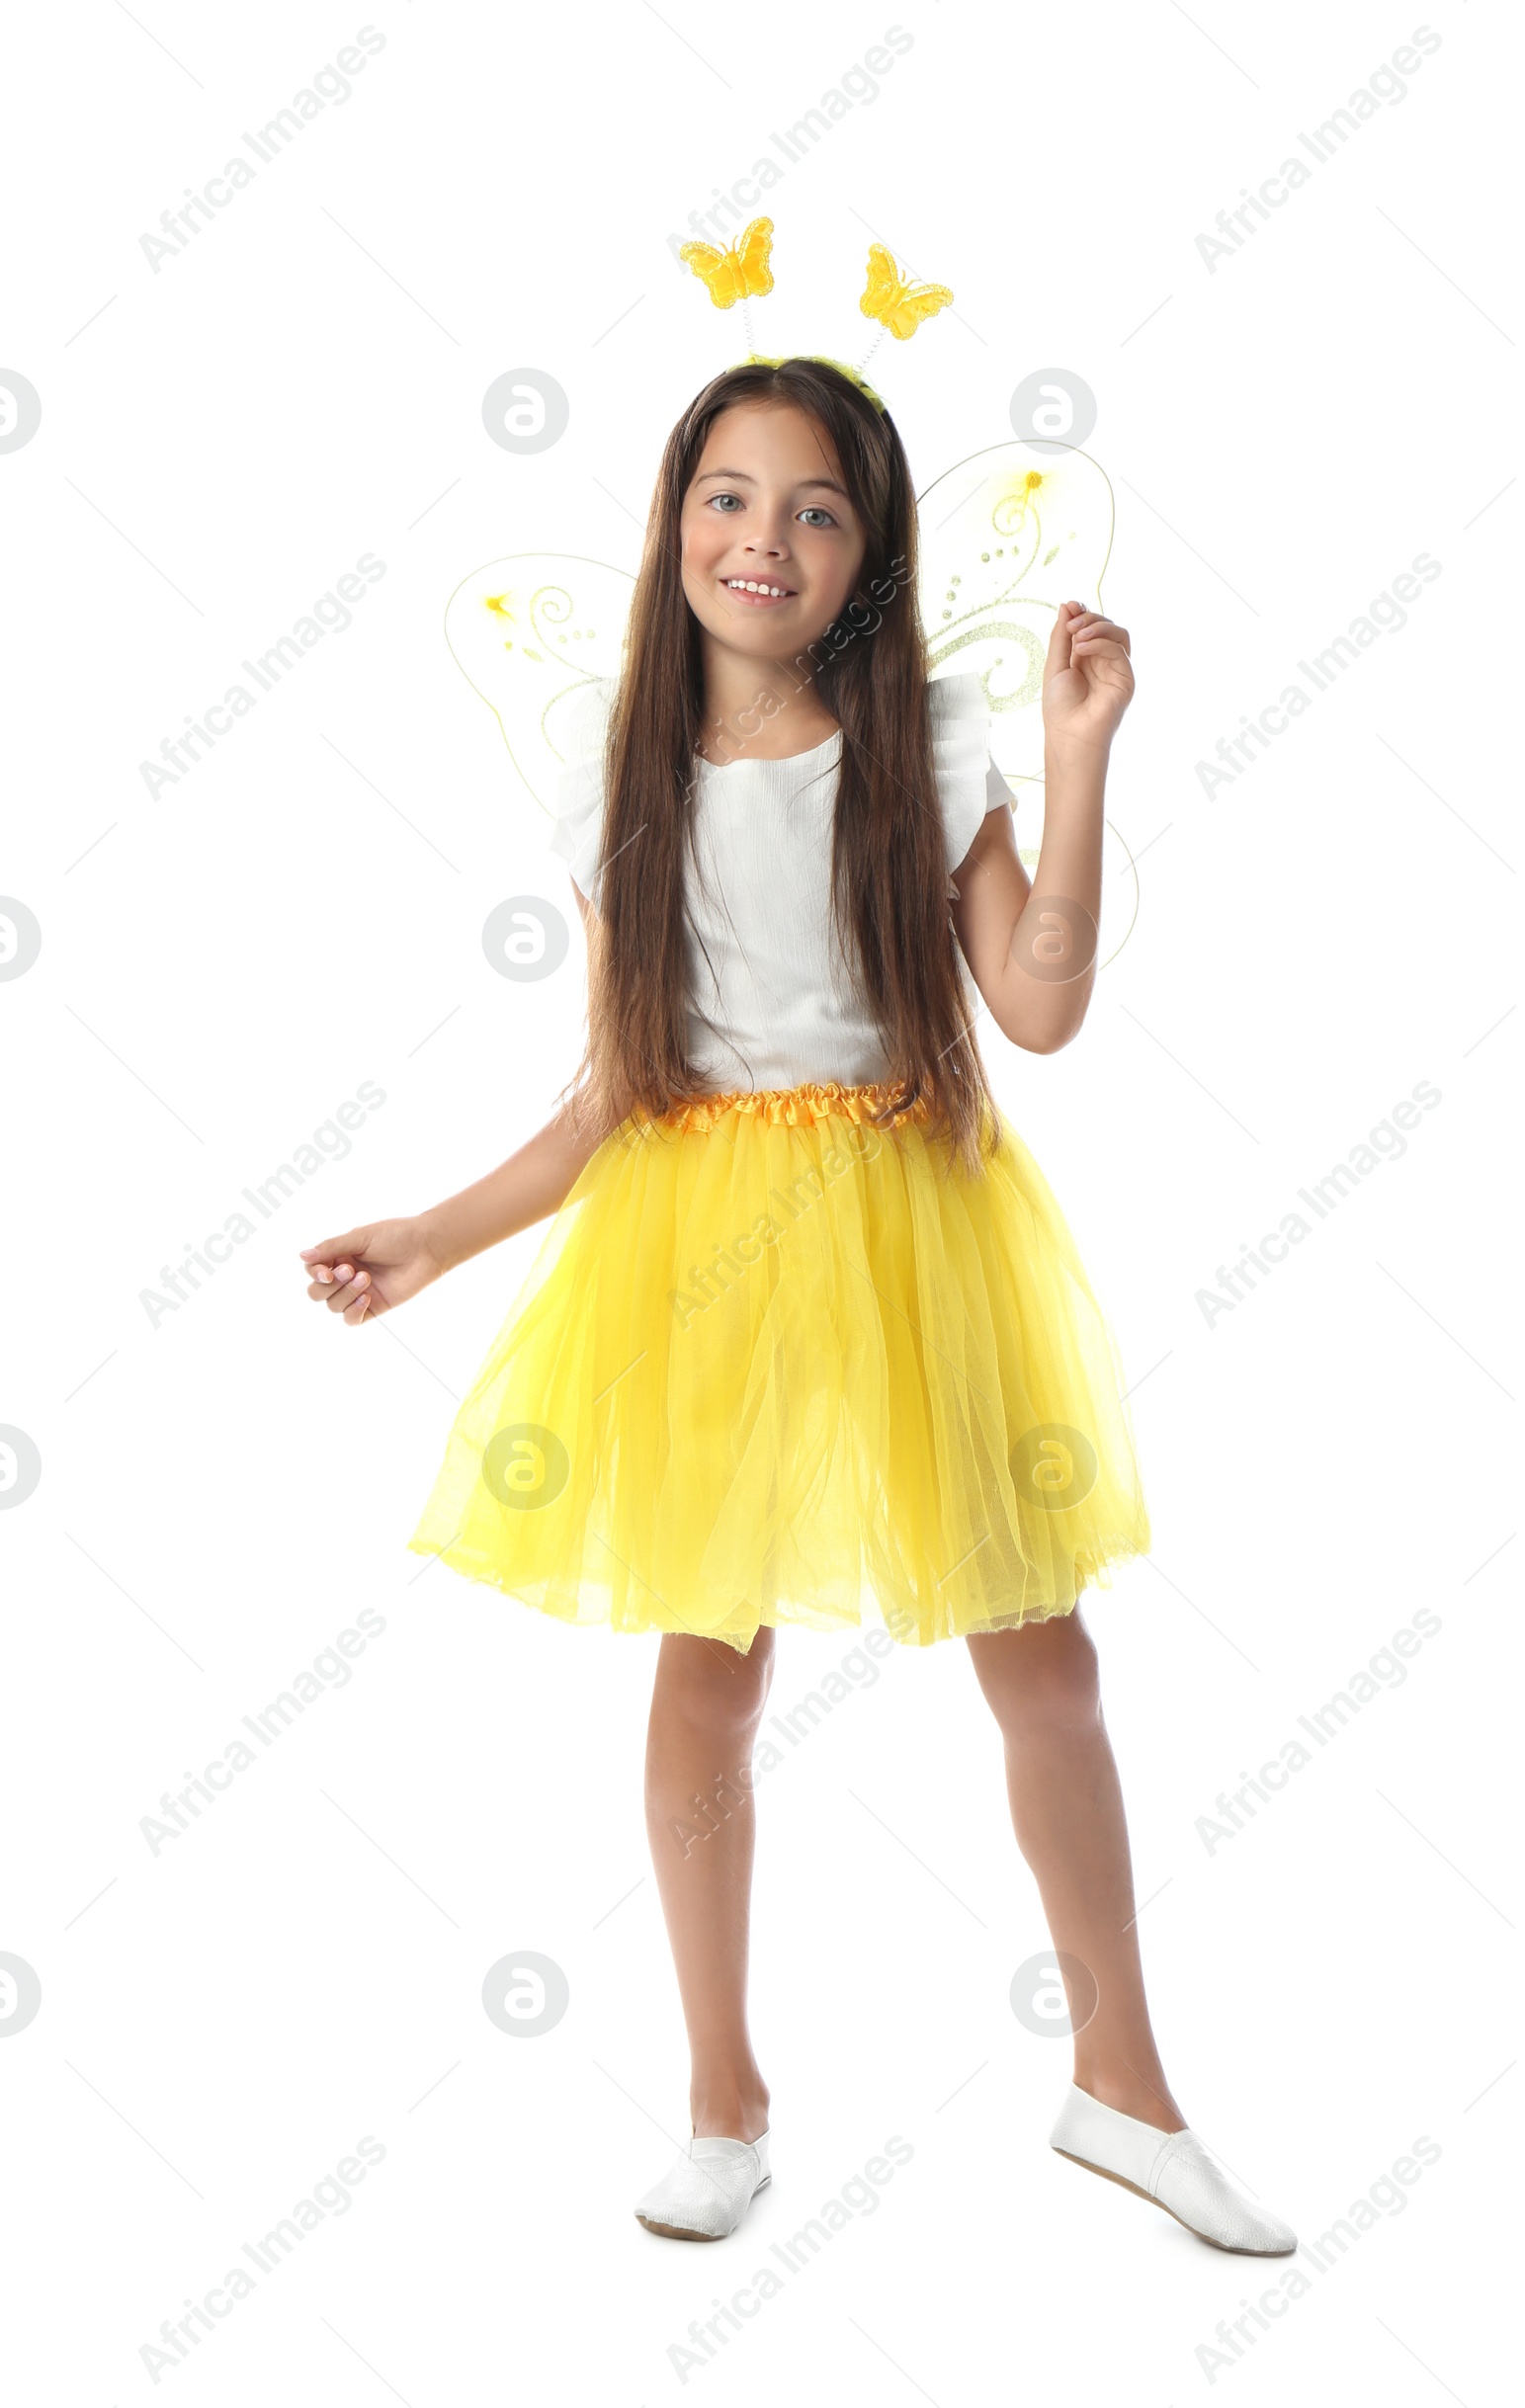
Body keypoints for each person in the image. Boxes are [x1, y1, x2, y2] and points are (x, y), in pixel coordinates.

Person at [300, 355, 1296, 2258]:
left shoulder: (924, 741)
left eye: (818, 507)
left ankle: (1124, 2078)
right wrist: (436, 1229)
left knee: (1046, 1654)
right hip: (704, 1248)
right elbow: (610, 1089)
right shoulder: (627, 775)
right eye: (731, 496)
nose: (766, 538)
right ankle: (722, 2095)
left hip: (918, 1231)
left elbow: (1044, 1001)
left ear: (873, 551)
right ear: (676, 521)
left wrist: (1078, 759)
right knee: (710, 1663)